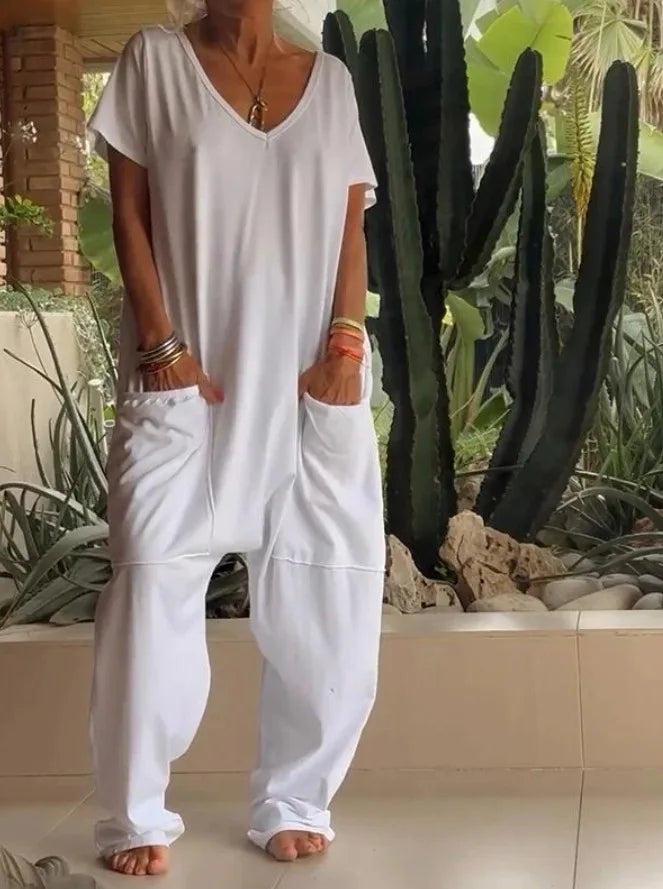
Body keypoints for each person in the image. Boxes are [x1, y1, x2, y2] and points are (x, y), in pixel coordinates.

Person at [87, 0, 385, 877]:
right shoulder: (154, 62)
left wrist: (344, 348)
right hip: (186, 385)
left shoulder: (329, 83)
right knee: (148, 589)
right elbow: (128, 214)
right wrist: (160, 346)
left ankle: (295, 799)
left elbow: (350, 229)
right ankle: (135, 812)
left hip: (307, 389)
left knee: (329, 598)